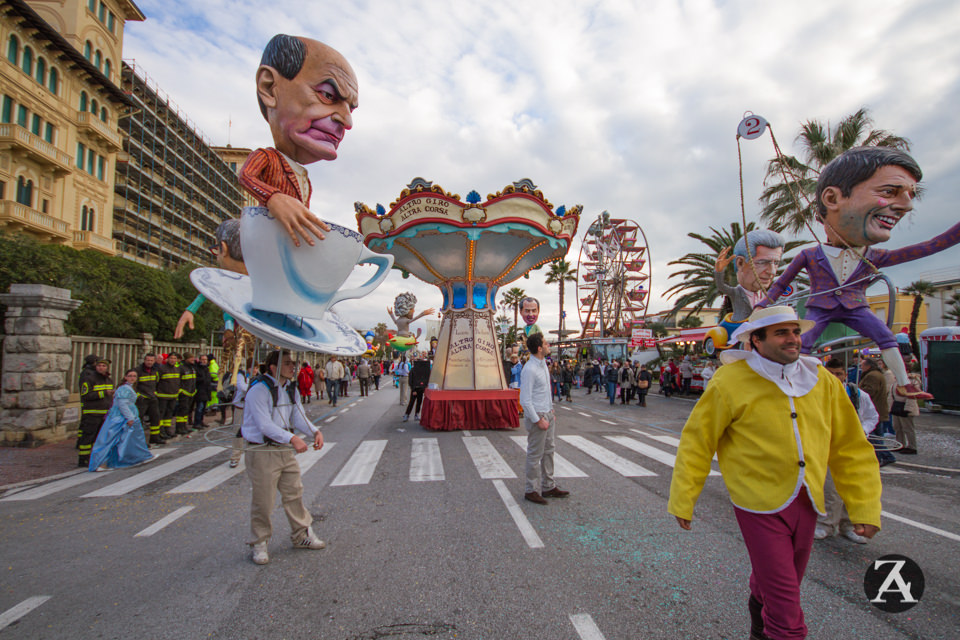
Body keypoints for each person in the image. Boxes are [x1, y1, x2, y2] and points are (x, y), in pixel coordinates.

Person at [668, 306, 882, 640]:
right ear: (756, 340)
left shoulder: (823, 381)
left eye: (795, 331)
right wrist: (684, 498)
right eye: (781, 333)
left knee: (783, 582)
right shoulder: (730, 381)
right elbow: (698, 441)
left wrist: (864, 506)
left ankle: (759, 622)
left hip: (807, 503)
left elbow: (850, 448)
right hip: (757, 504)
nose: (793, 339)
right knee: (786, 605)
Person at [759, 147, 960, 400]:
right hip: (821, 305)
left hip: (856, 306)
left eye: (910, 195)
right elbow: (781, 284)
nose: (906, 206)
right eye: (889, 192)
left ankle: (904, 383)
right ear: (831, 199)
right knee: (804, 340)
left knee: (885, 336)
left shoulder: (874, 256)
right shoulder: (809, 255)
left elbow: (928, 246)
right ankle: (793, 380)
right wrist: (763, 304)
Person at [239, 34, 357, 247]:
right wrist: (274, 198)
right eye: (328, 95)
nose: (347, 121)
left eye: (351, 108)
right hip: (267, 241)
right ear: (269, 88)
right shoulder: (266, 157)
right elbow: (246, 176)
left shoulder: (303, 178)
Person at [242, 349, 326, 565]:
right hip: (262, 450)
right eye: (288, 363)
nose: (293, 367)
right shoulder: (258, 390)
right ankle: (259, 542)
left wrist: (314, 431)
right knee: (264, 499)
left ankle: (302, 535)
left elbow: (298, 416)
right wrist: (292, 439)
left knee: (294, 492)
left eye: (293, 363)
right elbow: (264, 424)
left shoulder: (291, 389)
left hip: (283, 449)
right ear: (273, 367)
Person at [815, 359, 880, 544]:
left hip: (852, 445)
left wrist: (861, 431)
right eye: (831, 373)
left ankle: (849, 525)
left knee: (855, 485)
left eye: (839, 373)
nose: (835, 377)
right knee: (830, 488)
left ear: (845, 374)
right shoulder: (816, 391)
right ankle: (826, 524)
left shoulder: (857, 394)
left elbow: (872, 416)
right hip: (828, 446)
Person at [518, 333, 569, 505]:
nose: (549, 345)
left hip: (547, 412)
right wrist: (537, 419)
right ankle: (530, 490)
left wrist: (551, 411)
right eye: (546, 343)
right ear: (539, 348)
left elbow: (545, 392)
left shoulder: (543, 366)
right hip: (537, 416)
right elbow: (525, 399)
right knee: (535, 453)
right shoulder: (530, 369)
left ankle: (548, 486)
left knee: (549, 450)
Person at [88, 369, 154, 471]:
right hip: (119, 418)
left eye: (134, 376)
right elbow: (122, 404)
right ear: (125, 377)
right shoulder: (124, 389)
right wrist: (130, 417)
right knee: (112, 440)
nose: (132, 378)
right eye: (130, 376)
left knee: (128, 439)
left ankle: (136, 457)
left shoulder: (128, 388)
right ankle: (101, 463)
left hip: (124, 416)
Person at [715, 229, 786, 322]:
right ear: (740, 263)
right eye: (762, 262)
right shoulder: (737, 292)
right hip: (740, 328)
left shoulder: (767, 295)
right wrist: (719, 271)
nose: (772, 271)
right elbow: (722, 287)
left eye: (776, 263)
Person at [858, 357, 896, 467]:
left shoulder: (872, 376)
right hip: (878, 409)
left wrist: (857, 393)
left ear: (868, 366)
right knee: (877, 437)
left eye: (862, 365)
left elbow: (870, 391)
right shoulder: (876, 374)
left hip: (874, 409)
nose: (861, 367)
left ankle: (886, 456)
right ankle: (879, 458)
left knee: (873, 437)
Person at [77, 357, 114, 467]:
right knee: (88, 436)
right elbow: (85, 395)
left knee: (100, 437)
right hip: (92, 412)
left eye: (103, 366)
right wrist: (103, 393)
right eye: (99, 366)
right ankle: (83, 459)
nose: (101, 368)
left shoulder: (109, 380)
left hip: (104, 413)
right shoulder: (89, 379)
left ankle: (96, 457)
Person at [890, 363, 921, 454]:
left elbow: (911, 396)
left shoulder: (911, 381)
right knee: (897, 427)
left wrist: (908, 408)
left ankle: (912, 446)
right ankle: (899, 444)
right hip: (896, 406)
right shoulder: (897, 380)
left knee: (908, 428)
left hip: (905, 407)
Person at [229, 358, 253, 469]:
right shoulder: (240, 375)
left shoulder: (255, 377)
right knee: (237, 432)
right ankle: (235, 456)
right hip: (240, 408)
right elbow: (243, 388)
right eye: (254, 367)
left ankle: (252, 456)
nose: (255, 370)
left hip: (251, 408)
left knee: (253, 432)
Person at [134, 352, 161, 446]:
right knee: (140, 419)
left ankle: (155, 438)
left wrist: (155, 393)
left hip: (152, 398)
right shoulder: (137, 371)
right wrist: (138, 396)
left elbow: (157, 382)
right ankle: (140, 441)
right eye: (148, 360)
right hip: (142, 399)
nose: (149, 362)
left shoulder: (155, 371)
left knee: (155, 418)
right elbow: (133, 385)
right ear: (144, 360)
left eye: (151, 360)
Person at [156, 353, 181, 439]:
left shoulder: (177, 369)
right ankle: (161, 431)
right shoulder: (161, 368)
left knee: (169, 414)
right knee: (161, 414)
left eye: (174, 358)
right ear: (167, 359)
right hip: (162, 395)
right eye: (171, 358)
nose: (173, 360)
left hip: (173, 396)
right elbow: (156, 381)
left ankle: (167, 430)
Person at [175, 353, 198, 435]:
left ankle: (184, 426)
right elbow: (178, 381)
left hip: (191, 393)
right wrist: (181, 391)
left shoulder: (192, 368)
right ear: (186, 359)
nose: (193, 359)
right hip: (184, 393)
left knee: (186, 411)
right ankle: (179, 427)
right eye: (191, 358)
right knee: (182, 411)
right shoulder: (181, 368)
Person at [404, 356, 430, 422]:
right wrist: (413, 389)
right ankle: (407, 414)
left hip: (420, 388)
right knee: (412, 402)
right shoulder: (413, 370)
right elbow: (411, 380)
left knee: (419, 402)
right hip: (415, 388)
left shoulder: (422, 370)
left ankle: (416, 414)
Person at [193, 354, 212, 430]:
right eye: (203, 359)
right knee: (199, 408)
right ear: (200, 360)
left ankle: (201, 421)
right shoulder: (197, 368)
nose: (204, 361)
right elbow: (196, 379)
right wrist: (202, 379)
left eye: (205, 360)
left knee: (203, 408)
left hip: (206, 390)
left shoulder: (206, 368)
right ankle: (197, 423)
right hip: (200, 391)